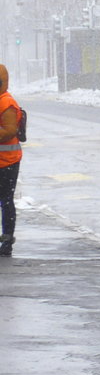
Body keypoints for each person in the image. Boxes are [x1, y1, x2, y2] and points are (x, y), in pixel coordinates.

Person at [0, 64, 22, 257]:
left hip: (7, 162)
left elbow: (9, 131)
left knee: (6, 200)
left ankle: (7, 241)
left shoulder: (6, 102)